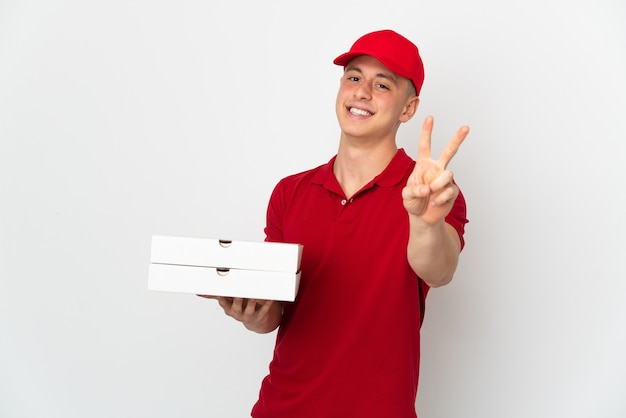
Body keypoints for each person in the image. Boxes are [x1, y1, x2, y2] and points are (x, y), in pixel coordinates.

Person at [200, 29, 469, 418]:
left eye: (382, 85)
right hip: (281, 408)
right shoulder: (289, 193)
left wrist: (424, 222)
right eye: (354, 77)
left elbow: (439, 270)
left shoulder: (431, 192)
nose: (361, 92)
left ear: (408, 109)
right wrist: (255, 316)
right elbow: (276, 310)